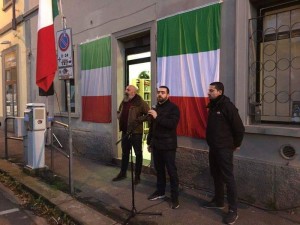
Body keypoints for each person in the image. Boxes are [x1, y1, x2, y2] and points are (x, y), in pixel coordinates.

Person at [205, 82, 245, 225]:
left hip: (224, 148)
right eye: (208, 90)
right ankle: (219, 201)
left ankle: (233, 210)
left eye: (211, 90)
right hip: (214, 148)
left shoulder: (227, 106)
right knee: (215, 174)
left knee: (228, 178)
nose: (208, 92)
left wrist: (236, 144)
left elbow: (239, 128)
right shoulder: (213, 106)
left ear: (220, 92)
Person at [147, 86, 180, 209]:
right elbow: (152, 127)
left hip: (168, 145)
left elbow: (171, 124)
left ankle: (175, 197)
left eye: (163, 92)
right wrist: (149, 142)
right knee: (159, 170)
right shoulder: (155, 107)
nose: (160, 94)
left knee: (171, 171)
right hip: (156, 144)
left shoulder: (173, 108)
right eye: (158, 92)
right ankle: (160, 192)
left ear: (168, 95)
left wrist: (157, 117)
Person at [112, 85, 150, 185]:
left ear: (134, 92)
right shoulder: (124, 100)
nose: (126, 91)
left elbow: (149, 114)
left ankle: (137, 176)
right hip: (125, 132)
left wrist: (139, 119)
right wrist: (118, 115)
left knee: (138, 154)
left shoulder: (140, 102)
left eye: (128, 90)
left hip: (136, 133)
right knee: (125, 153)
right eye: (126, 89)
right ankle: (123, 173)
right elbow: (120, 110)